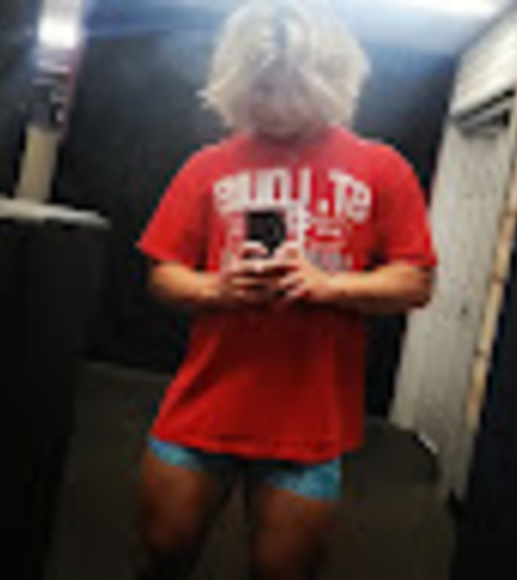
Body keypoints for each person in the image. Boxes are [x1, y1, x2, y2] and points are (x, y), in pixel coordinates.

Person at [135, 1, 438, 578]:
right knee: (163, 555)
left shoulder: (382, 167)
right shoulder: (207, 166)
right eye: (260, 88)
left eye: (290, 88)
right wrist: (218, 288)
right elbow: (163, 275)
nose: (273, 105)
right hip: (204, 406)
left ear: (326, 81)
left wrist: (327, 286)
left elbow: (415, 281)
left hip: (309, 423)